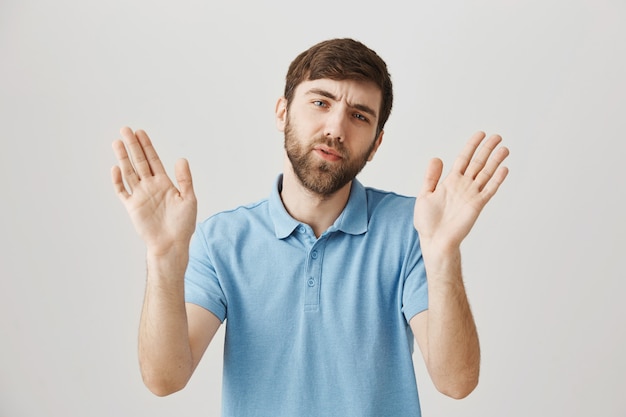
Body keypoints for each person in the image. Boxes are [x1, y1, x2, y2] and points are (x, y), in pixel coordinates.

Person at [111, 38, 509, 416]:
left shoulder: (413, 230)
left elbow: (456, 382)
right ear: (282, 112)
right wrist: (163, 258)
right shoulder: (223, 240)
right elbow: (165, 378)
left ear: (376, 143)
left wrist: (442, 256)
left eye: (358, 116)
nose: (336, 128)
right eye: (321, 102)